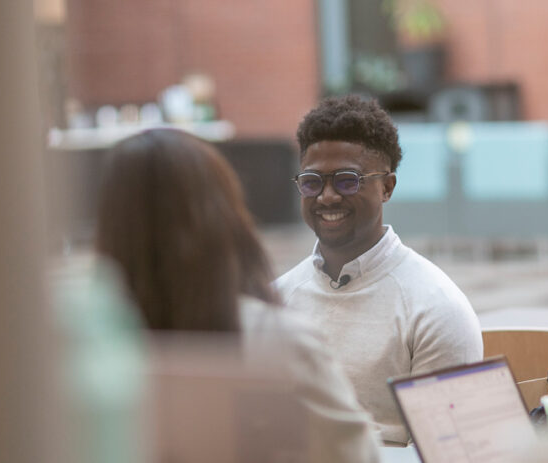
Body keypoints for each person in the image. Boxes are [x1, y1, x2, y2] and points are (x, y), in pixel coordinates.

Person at [93, 128, 381, 462]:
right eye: (312, 182)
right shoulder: (280, 341)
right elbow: (357, 457)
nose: (327, 197)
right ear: (222, 215)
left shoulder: (76, 349)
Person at [273, 95, 482, 446]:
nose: (326, 197)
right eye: (312, 181)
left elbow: (448, 451)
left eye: (346, 180)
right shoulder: (277, 300)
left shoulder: (435, 308)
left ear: (387, 187)